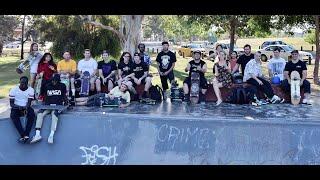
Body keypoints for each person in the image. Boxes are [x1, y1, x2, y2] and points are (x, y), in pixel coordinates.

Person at [30, 74, 67, 144]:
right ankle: (37, 134)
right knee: (40, 113)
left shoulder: (62, 86)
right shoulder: (47, 85)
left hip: (57, 106)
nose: (53, 82)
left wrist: (65, 103)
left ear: (58, 81)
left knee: (54, 115)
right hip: (47, 105)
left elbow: (64, 96)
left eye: (55, 81)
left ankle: (51, 135)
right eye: (52, 80)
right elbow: (41, 94)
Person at [9, 76, 35, 143]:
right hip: (16, 107)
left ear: (27, 83)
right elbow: (11, 104)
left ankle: (26, 133)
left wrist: (25, 107)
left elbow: (29, 103)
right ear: (19, 82)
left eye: (25, 83)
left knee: (32, 115)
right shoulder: (13, 90)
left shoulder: (31, 90)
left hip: (26, 107)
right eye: (21, 83)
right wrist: (18, 107)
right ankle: (22, 134)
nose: (23, 85)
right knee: (13, 115)